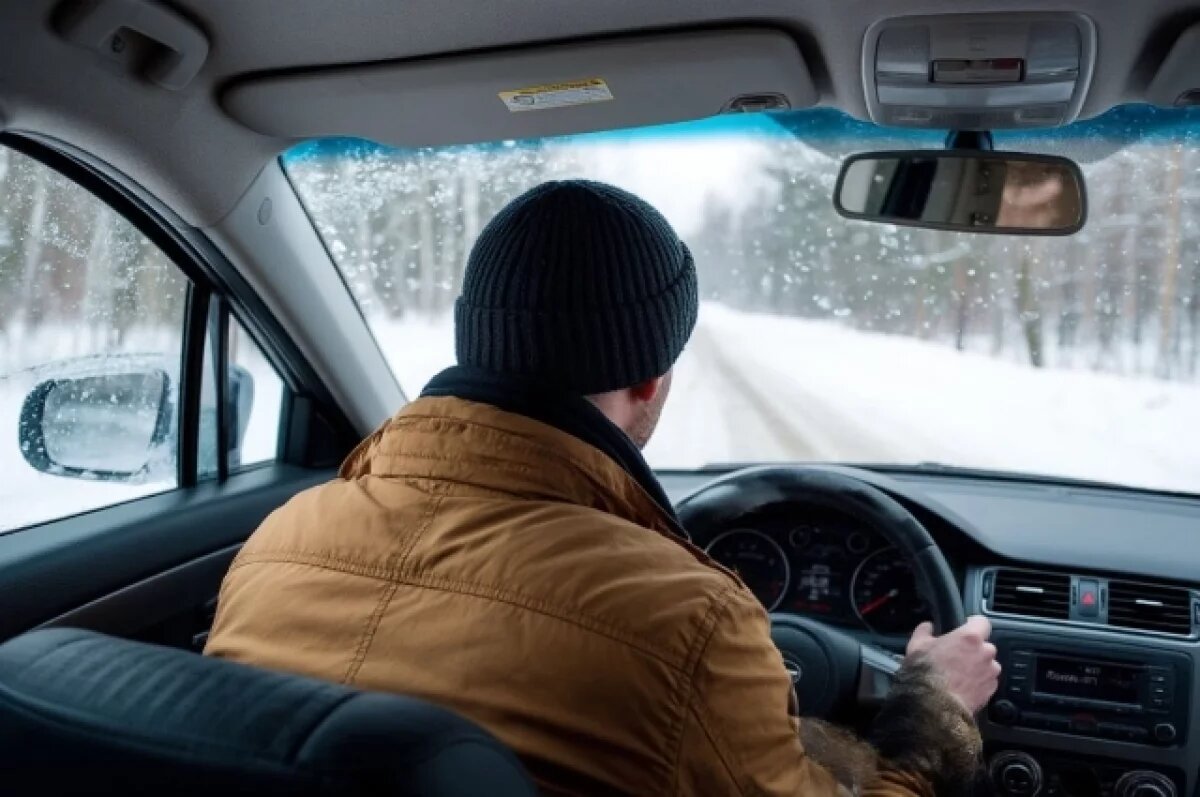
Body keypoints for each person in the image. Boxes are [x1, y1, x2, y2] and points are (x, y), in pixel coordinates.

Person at [206, 180, 999, 796]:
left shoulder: (278, 542)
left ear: (474, 339)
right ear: (653, 376)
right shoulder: (688, 620)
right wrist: (937, 711)